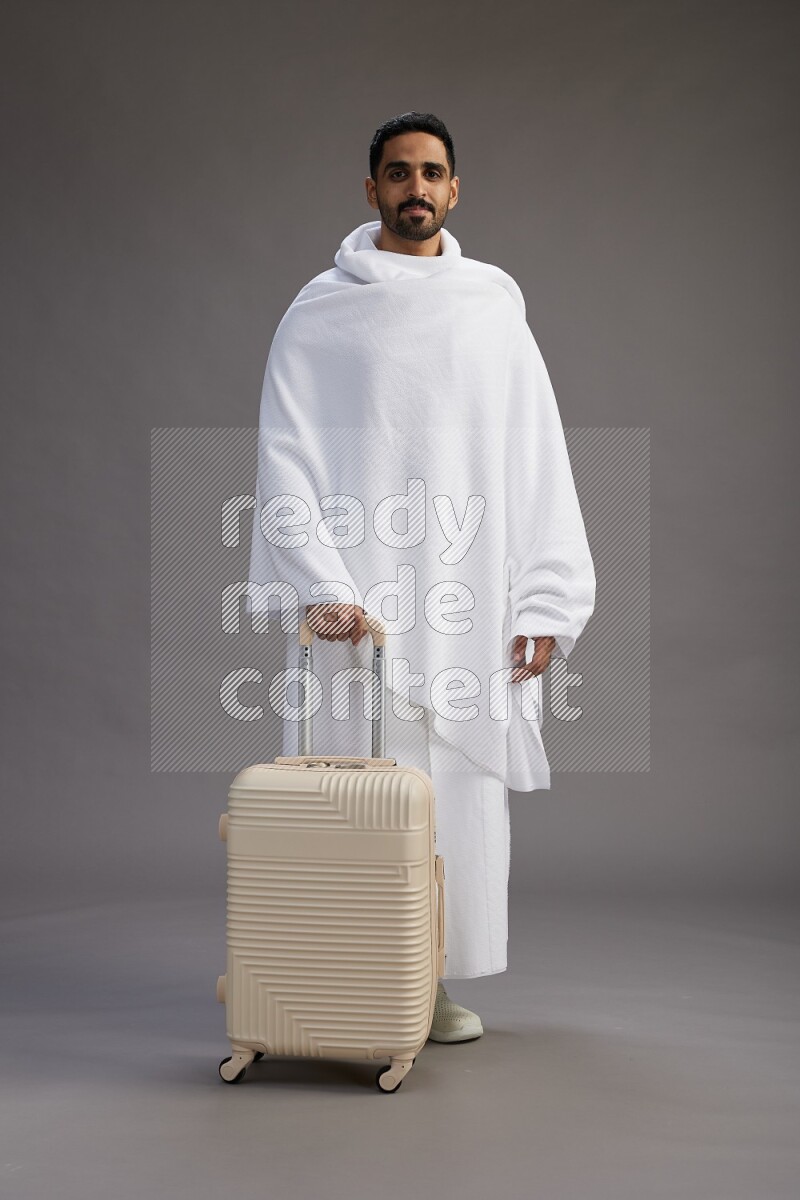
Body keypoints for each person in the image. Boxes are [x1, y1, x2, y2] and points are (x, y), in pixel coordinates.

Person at [247, 112, 595, 1043]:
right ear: (371, 191)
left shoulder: (491, 307)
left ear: (454, 189)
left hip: (465, 596)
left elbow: (538, 457)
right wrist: (321, 583)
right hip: (352, 613)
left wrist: (547, 599)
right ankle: (344, 975)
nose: (415, 187)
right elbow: (286, 454)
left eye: (431, 173)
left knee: (451, 800)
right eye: (397, 173)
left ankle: (427, 979)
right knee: (355, 793)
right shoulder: (322, 310)